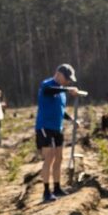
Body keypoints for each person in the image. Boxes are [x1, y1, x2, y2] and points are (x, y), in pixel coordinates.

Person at [35, 64, 80, 203]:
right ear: (59, 74)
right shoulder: (47, 85)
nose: (68, 82)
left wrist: (71, 119)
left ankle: (57, 187)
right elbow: (49, 91)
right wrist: (67, 89)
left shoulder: (61, 91)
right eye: (67, 79)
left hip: (57, 127)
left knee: (59, 157)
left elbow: (60, 110)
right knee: (49, 158)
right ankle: (46, 192)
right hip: (45, 127)